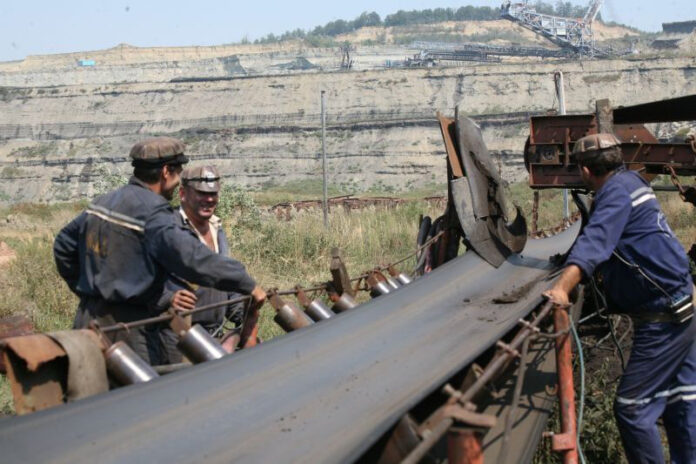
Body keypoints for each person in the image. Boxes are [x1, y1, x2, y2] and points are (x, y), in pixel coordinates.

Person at [545, 133, 695, 463]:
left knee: (632, 408)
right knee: (681, 400)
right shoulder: (632, 181)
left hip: (663, 319)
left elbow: (595, 243)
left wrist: (562, 287)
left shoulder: (614, 193)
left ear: (585, 171)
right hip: (683, 308)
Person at [53, 137, 266, 365]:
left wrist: (89, 290)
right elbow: (191, 258)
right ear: (166, 172)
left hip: (88, 323)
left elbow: (64, 246)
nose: (177, 182)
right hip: (131, 330)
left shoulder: (104, 202)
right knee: (153, 386)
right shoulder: (153, 212)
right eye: (178, 173)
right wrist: (246, 283)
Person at [156, 165, 245, 363]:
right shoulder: (168, 228)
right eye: (201, 194)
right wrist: (167, 298)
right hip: (177, 336)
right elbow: (143, 278)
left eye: (213, 194)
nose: (209, 199)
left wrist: (241, 312)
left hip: (214, 334)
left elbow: (226, 276)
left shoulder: (216, 227)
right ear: (182, 194)